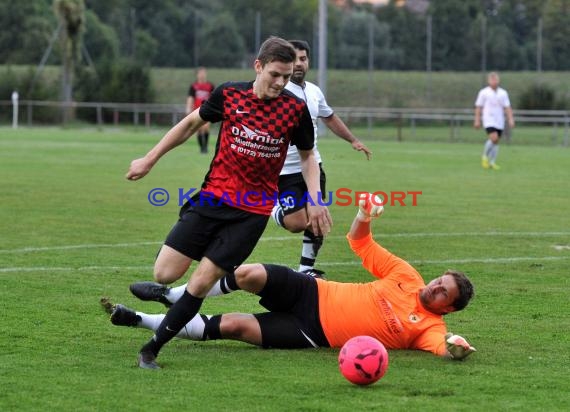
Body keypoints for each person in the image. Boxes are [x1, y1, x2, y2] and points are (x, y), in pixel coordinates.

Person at [125, 36, 332, 369]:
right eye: (275, 74)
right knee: (164, 272)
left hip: (251, 214)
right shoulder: (229, 94)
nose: (282, 82)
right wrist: (150, 159)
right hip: (211, 200)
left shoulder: (295, 110)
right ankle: (166, 295)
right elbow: (191, 123)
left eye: (287, 75)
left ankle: (152, 348)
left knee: (201, 282)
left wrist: (316, 199)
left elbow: (308, 157)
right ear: (259, 66)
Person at [107, 193, 476, 361]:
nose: (435, 287)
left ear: (449, 309)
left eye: (443, 293)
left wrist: (457, 346)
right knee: (248, 273)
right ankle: (173, 295)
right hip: (313, 292)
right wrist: (364, 214)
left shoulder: (430, 329)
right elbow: (360, 243)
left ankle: (138, 319)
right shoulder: (407, 275)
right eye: (439, 281)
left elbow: (446, 348)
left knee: (233, 326)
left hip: (312, 334)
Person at [271, 40, 372, 278]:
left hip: (313, 166)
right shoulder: (279, 93)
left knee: (318, 217)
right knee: (296, 223)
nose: (298, 64)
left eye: (303, 59)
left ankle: (306, 269)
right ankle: (270, 208)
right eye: (294, 59)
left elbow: (330, 117)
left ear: (308, 62)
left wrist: (353, 140)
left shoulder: (314, 91)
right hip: (284, 171)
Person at [474, 72, 515, 170]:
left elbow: (507, 107)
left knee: (496, 141)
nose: (494, 81)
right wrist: (477, 120)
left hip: (499, 120)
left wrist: (510, 119)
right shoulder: (484, 92)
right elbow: (478, 107)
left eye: (495, 79)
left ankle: (492, 162)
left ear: (498, 80)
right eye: (492, 79)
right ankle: (484, 156)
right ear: (489, 81)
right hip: (488, 119)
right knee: (494, 138)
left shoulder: (503, 93)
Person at [186, 67, 215, 154]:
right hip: (196, 110)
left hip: (207, 109)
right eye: (200, 73)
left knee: (206, 128)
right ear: (197, 75)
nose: (202, 75)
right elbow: (190, 98)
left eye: (203, 73)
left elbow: (214, 97)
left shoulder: (210, 86)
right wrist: (188, 108)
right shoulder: (194, 86)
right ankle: (202, 148)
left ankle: (205, 147)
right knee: (198, 129)